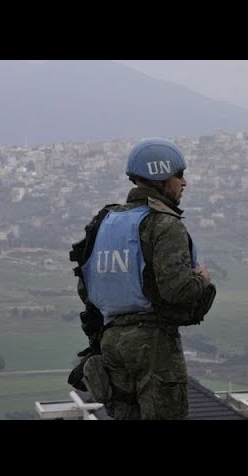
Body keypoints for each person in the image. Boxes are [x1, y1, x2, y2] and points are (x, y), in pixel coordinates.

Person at [68, 137, 215, 420]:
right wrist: (203, 279)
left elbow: (86, 287)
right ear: (160, 177)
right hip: (153, 345)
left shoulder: (105, 222)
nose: (183, 183)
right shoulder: (163, 223)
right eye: (179, 175)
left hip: (111, 343)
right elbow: (177, 290)